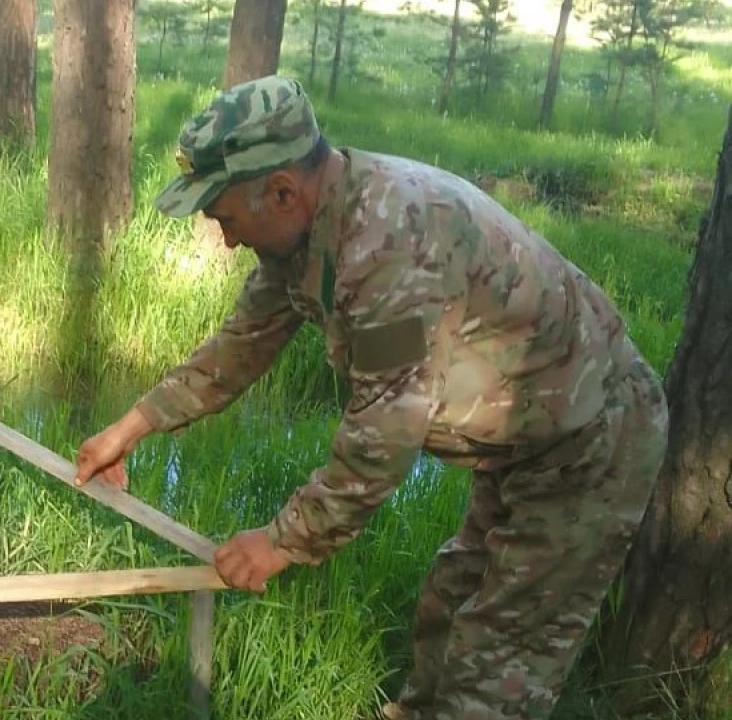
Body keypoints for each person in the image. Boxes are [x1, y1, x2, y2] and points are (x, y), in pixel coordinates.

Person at [72, 76, 669, 720]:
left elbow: (383, 437)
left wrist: (281, 541)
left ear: (280, 191)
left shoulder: (387, 245)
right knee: (450, 604)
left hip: (586, 444)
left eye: (224, 217)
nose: (227, 239)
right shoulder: (303, 233)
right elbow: (239, 348)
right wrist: (129, 429)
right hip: (523, 440)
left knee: (497, 670)